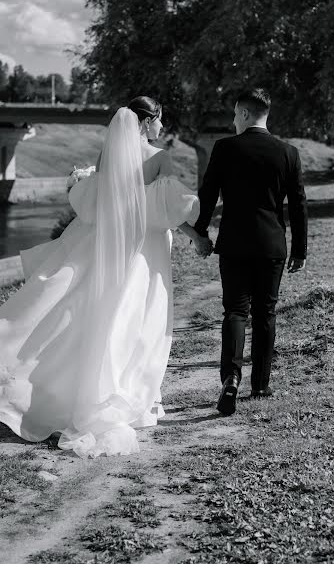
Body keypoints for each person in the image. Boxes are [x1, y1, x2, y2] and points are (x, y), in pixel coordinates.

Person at [0, 97, 211, 458]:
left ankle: (59, 386)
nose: (163, 127)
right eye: (160, 121)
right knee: (140, 322)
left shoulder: (107, 156)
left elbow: (93, 202)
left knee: (85, 315)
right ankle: (128, 396)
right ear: (146, 123)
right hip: (144, 253)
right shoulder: (159, 158)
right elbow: (167, 211)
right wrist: (199, 237)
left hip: (103, 247)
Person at [194, 88, 308, 415]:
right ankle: (260, 383)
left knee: (235, 311)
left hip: (234, 243)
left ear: (244, 114)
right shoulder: (288, 153)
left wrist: (200, 232)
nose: (232, 120)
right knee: (265, 313)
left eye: (233, 114)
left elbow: (209, 193)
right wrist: (299, 250)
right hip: (272, 245)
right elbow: (298, 206)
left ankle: (230, 378)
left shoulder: (225, 148)